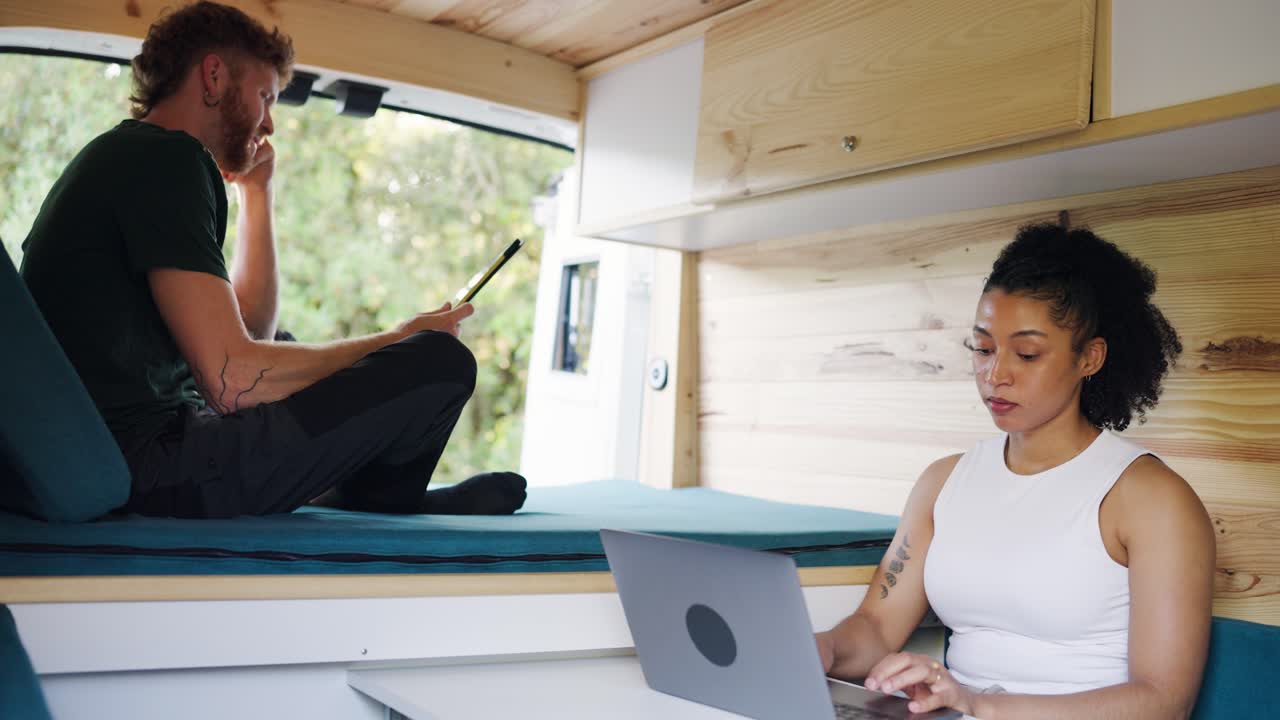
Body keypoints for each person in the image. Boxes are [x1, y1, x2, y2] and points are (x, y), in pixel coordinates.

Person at [19, 1, 526, 518]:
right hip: (146, 463)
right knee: (439, 363)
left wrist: (256, 194)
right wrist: (400, 340)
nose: (270, 123)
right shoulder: (166, 158)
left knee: (283, 348)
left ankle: (348, 487)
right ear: (214, 77)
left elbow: (253, 334)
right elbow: (234, 380)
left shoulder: (132, 157)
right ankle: (372, 495)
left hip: (143, 445)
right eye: (265, 96)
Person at [815, 223, 1215, 718]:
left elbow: (1163, 702)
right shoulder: (942, 483)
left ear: (1090, 357)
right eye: (983, 348)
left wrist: (979, 705)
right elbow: (875, 628)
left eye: (1027, 353)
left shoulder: (1150, 498)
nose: (996, 374)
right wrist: (825, 648)